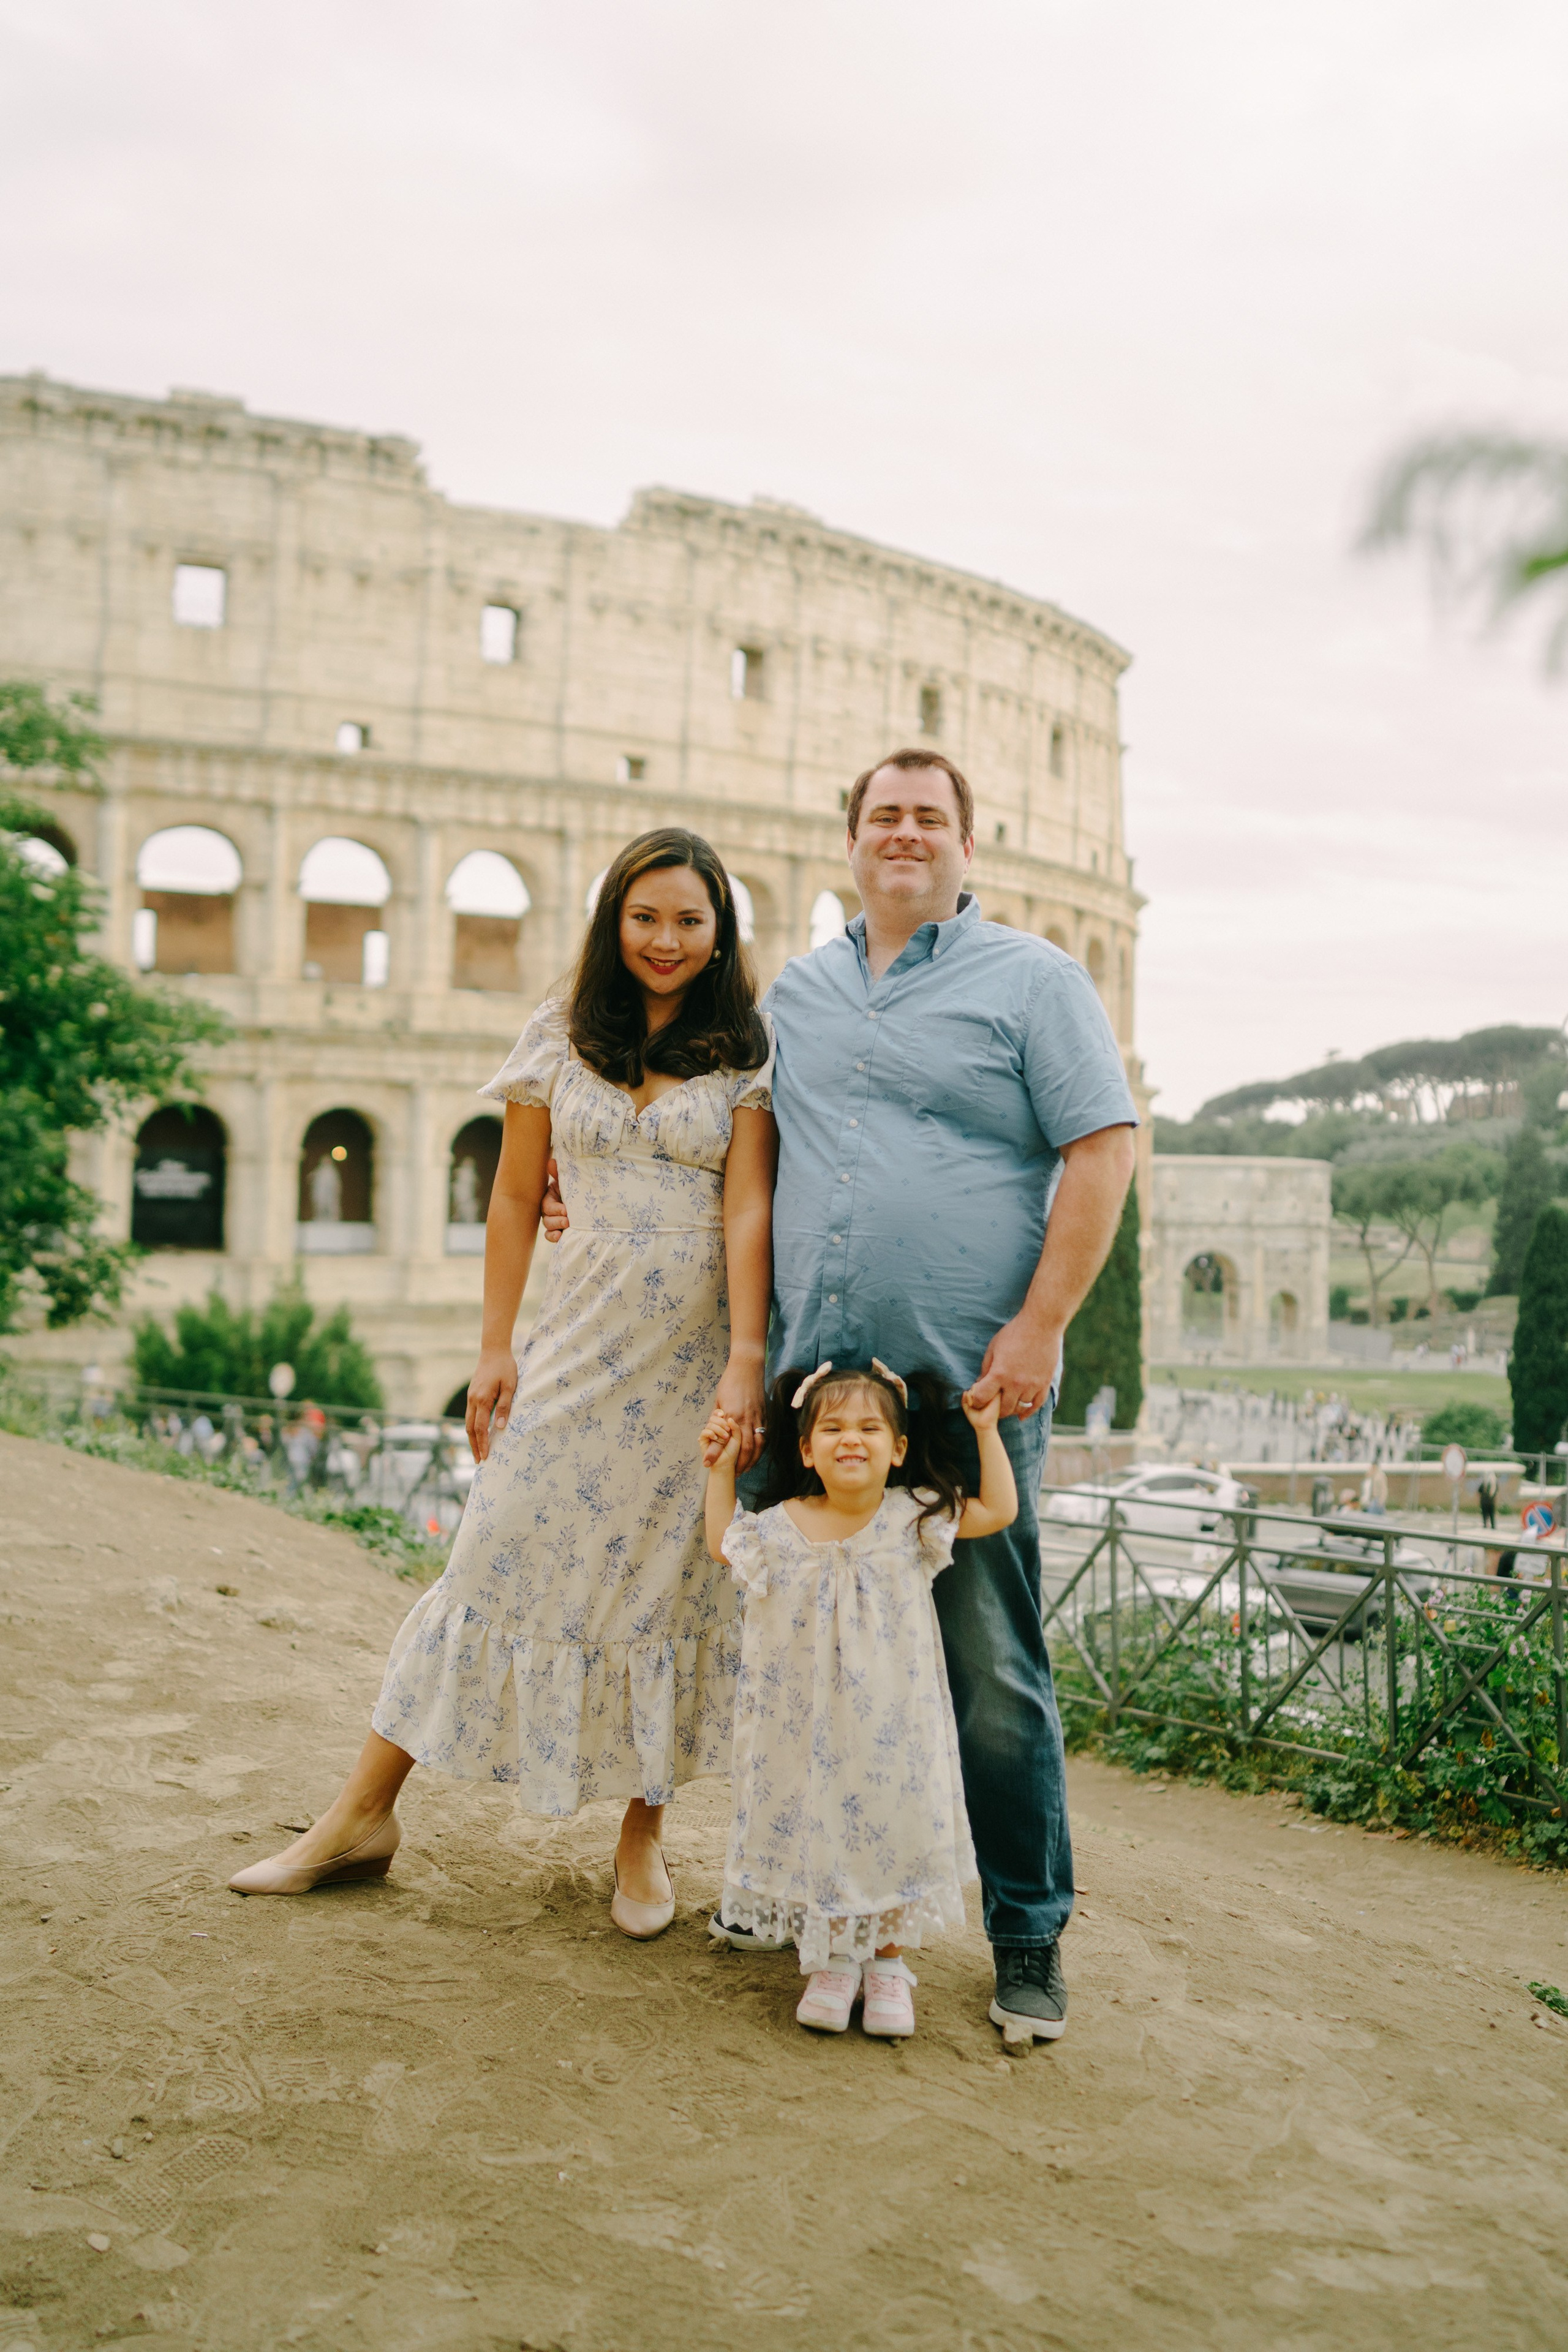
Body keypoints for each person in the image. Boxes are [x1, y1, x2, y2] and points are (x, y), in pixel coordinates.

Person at [543, 748, 1138, 2043]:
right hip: (818, 1395)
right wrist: (576, 1171)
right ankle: (805, 1902)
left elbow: (1105, 1145)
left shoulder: (1032, 981)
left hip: (960, 1394)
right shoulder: (795, 996)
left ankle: (1025, 1933)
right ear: (850, 845)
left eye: (930, 818)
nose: (905, 835)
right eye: (884, 818)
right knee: (796, 1658)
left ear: (968, 845)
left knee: (988, 1669)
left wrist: (1041, 1326)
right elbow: (713, 1119)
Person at [230, 828, 777, 1936]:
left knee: (668, 1586)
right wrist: (494, 1347)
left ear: (720, 933)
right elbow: (516, 1197)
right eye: (644, 916)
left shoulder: (748, 1052)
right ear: (610, 922)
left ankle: (643, 1840)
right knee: (489, 1555)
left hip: (690, 1361)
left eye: (689, 920)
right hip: (574, 1344)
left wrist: (745, 1364)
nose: (665, 940)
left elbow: (751, 1208)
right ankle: (360, 1817)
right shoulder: (559, 1035)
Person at [702, 1360, 1017, 2039]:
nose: (853, 1439)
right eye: (834, 1427)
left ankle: (889, 1966)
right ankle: (832, 1959)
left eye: (871, 1427)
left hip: (892, 1731)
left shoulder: (911, 1519)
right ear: (807, 1450)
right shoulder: (779, 1526)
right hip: (804, 1728)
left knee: (890, 1830)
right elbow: (719, 1544)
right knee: (818, 1827)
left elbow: (999, 1512)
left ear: (898, 1449)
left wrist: (986, 1432)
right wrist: (720, 1467)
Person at [1477, 1467, 1499, 1531]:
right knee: (1492, 1514)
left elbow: (1479, 1491)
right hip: (1492, 1502)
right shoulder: (1494, 1484)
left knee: (1485, 1514)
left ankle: (1485, 1525)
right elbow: (1497, 1492)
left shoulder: (1484, 1483)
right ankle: (1493, 1526)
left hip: (1484, 1502)